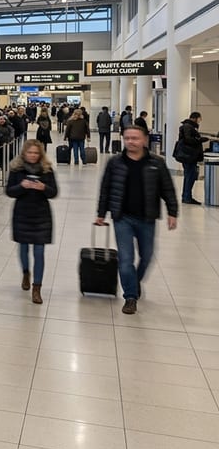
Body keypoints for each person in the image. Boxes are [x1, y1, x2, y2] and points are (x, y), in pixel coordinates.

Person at [95, 125, 178, 315]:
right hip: (122, 217)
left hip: (147, 218)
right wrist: (101, 213)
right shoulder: (115, 162)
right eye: (127, 138)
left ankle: (134, 280)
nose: (131, 142)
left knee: (147, 256)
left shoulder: (156, 163)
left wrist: (172, 212)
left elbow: (167, 189)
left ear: (145, 140)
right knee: (126, 259)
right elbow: (105, 189)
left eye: (135, 138)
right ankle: (130, 297)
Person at [5, 140, 58, 304]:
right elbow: (9, 191)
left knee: (39, 252)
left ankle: (37, 287)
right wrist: (22, 186)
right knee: (23, 248)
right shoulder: (16, 169)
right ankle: (26, 272)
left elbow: (54, 192)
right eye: (30, 152)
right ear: (24, 153)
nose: (33, 156)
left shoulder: (47, 170)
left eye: (36, 153)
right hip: (22, 214)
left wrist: (44, 188)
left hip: (41, 215)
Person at [174, 111, 209, 205]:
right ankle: (187, 197)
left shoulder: (189, 126)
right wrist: (200, 140)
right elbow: (188, 139)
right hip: (189, 156)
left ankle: (186, 196)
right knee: (190, 176)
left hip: (189, 155)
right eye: (199, 119)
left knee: (189, 176)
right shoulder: (188, 126)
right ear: (194, 118)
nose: (200, 121)